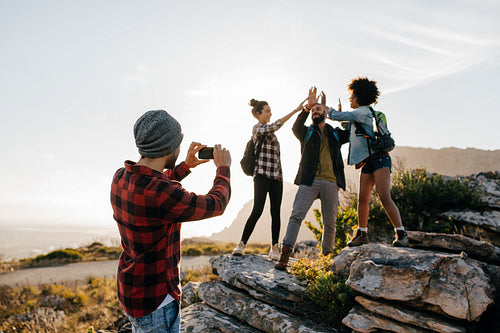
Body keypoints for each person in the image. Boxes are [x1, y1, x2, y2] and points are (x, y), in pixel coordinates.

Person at [110, 110, 231, 333]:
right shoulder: (162, 193)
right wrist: (223, 168)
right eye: (178, 143)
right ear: (169, 147)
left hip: (130, 290)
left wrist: (185, 166)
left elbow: (154, 186)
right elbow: (217, 204)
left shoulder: (120, 177)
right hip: (157, 300)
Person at [323, 77, 409, 247]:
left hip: (380, 159)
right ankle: (362, 234)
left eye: (352, 96)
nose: (350, 99)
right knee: (362, 199)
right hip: (368, 161)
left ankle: (401, 234)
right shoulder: (359, 115)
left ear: (359, 97)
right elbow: (349, 126)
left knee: (384, 197)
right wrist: (342, 117)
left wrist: (327, 108)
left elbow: (340, 116)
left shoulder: (363, 111)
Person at [275, 88, 349, 271]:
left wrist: (338, 117)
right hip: (309, 181)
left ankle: (326, 260)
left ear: (325, 113)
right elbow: (295, 127)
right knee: (296, 216)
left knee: (330, 224)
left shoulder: (335, 133)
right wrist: (306, 108)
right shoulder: (306, 132)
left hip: (332, 182)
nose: (316, 112)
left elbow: (350, 132)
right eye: (314, 111)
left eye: (319, 110)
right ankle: (284, 256)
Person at [233, 98, 306, 260]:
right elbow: (276, 125)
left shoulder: (270, 133)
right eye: (267, 111)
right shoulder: (257, 128)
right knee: (257, 209)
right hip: (261, 174)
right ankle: (241, 244)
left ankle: (274, 247)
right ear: (258, 114)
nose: (270, 113)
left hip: (276, 177)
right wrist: (296, 110)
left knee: (275, 212)